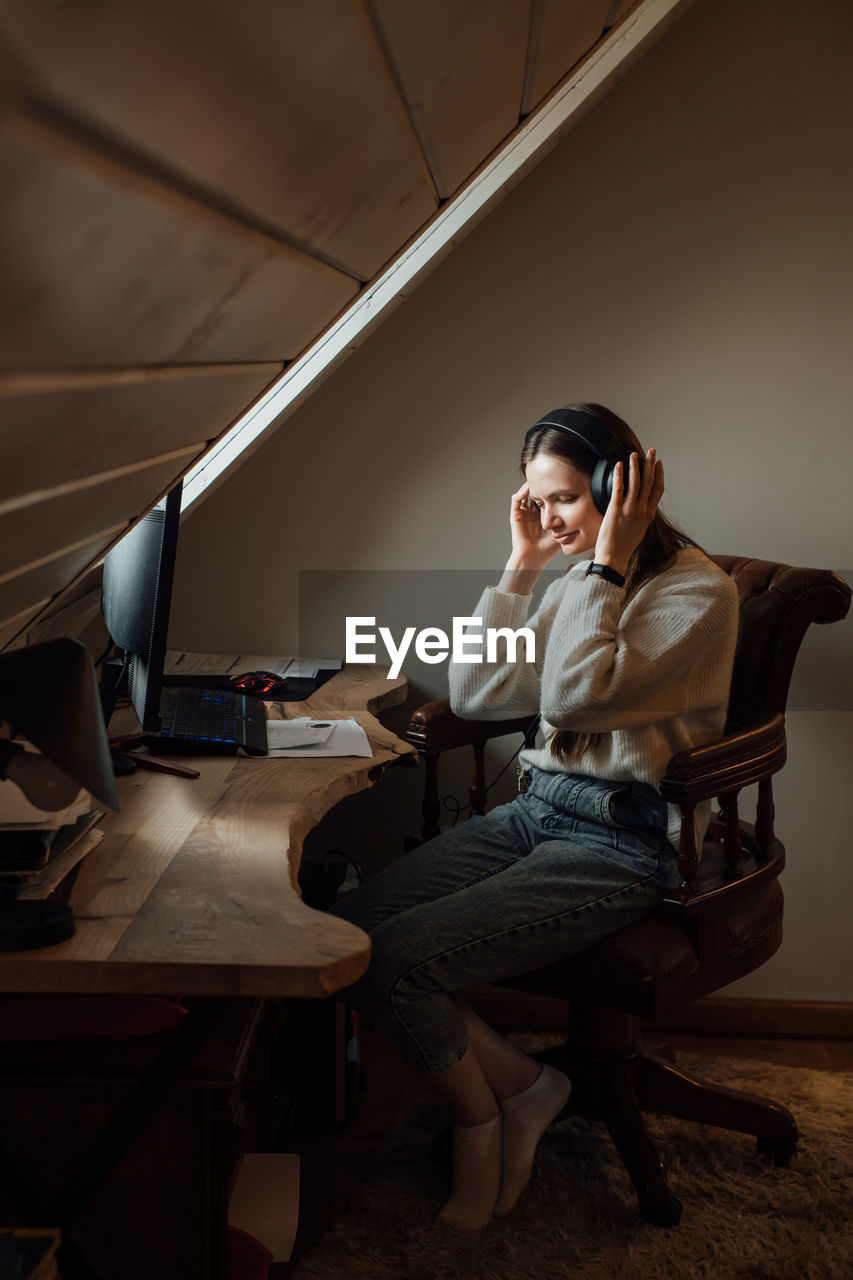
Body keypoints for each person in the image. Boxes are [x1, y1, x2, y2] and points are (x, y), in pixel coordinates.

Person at [330, 402, 738, 1230]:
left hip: (620, 839)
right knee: (349, 936)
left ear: (620, 489)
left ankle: (478, 1123)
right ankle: (522, 1088)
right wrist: (518, 570)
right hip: (536, 810)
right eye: (536, 503)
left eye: (563, 501)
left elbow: (575, 698)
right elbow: (479, 695)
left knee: (400, 963)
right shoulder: (573, 578)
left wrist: (609, 565)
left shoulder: (697, 594)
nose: (550, 520)